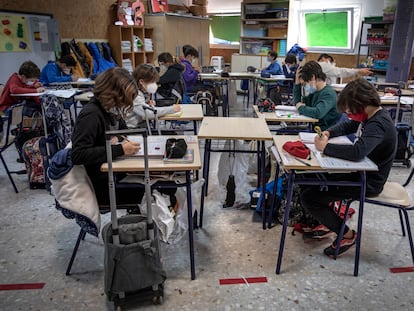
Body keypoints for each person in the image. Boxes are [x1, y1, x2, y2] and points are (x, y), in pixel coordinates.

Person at [300, 78, 397, 257]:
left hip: (369, 182)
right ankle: (330, 222)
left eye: (350, 110)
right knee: (308, 179)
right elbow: (349, 125)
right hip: (359, 172)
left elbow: (357, 152)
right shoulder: (370, 116)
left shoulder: (379, 124)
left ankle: (347, 235)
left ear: (361, 104)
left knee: (310, 197)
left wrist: (326, 148)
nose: (349, 114)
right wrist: (329, 132)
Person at [71, 67, 143, 208]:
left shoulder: (110, 110)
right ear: (112, 94)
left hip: (115, 173)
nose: (124, 104)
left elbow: (124, 132)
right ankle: (140, 227)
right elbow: (78, 154)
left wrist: (121, 142)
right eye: (122, 99)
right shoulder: (91, 115)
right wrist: (119, 149)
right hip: (102, 186)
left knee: (160, 182)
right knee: (160, 190)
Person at [125, 64, 181, 129]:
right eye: (152, 82)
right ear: (141, 82)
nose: (154, 84)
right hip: (133, 130)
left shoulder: (139, 92)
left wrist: (147, 104)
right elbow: (148, 113)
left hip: (140, 126)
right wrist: (172, 109)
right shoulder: (134, 94)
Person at [293, 61, 340, 130]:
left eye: (305, 84)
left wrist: (300, 108)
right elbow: (298, 103)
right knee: (282, 131)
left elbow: (318, 113)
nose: (305, 87)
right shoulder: (315, 92)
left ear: (312, 77)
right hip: (316, 129)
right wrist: (297, 83)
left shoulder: (328, 94)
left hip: (325, 132)